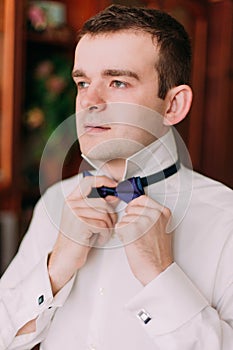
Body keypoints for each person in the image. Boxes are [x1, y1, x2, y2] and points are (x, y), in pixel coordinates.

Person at [1, 4, 233, 349]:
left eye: (118, 82)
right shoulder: (56, 202)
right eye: (82, 82)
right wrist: (56, 268)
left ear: (173, 105)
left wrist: (160, 276)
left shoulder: (226, 219)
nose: (89, 101)